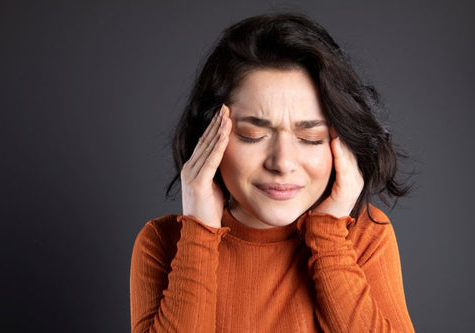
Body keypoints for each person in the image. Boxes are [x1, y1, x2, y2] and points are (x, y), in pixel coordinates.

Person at [130, 13, 415, 332]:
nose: (282, 162)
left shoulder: (365, 235)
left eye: (311, 138)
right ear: (209, 136)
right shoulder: (163, 242)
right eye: (253, 135)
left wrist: (328, 237)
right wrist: (198, 232)